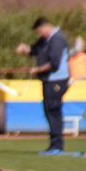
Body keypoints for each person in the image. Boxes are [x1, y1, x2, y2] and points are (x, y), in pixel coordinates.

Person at [16, 17, 70, 155]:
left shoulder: (57, 39)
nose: (39, 35)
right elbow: (36, 50)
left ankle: (57, 146)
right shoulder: (45, 40)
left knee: (53, 110)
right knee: (48, 110)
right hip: (48, 80)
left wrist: (37, 70)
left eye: (40, 31)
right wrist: (25, 49)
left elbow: (54, 63)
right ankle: (54, 145)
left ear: (46, 27)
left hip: (57, 80)